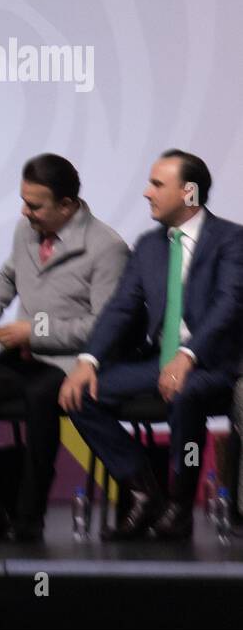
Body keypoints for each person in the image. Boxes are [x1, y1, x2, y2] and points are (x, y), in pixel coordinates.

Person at [0, 154, 129, 542]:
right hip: (24, 356)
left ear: (67, 205)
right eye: (24, 201)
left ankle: (28, 518)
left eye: (35, 204)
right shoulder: (27, 230)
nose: (25, 211)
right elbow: (8, 276)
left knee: (41, 397)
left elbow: (104, 327)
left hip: (70, 363)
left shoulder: (107, 248)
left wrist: (34, 331)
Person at [61, 150, 243, 540]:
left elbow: (229, 304)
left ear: (189, 192)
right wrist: (88, 359)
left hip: (214, 367)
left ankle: (180, 507)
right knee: (80, 394)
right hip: (158, 363)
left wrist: (187, 355)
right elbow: (122, 307)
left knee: (186, 393)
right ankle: (144, 492)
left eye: (158, 184)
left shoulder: (231, 239)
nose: (147, 193)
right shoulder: (149, 246)